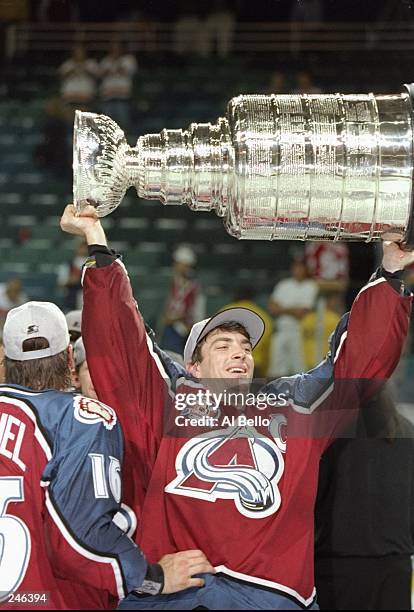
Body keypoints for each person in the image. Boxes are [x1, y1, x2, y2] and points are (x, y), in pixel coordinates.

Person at [61, 203, 413, 610]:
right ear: (192, 365)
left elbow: (358, 364)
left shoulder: (295, 406)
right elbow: (122, 346)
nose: (239, 354)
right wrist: (98, 244)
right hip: (178, 595)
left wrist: (389, 270)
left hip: (270, 597)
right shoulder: (168, 400)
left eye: (245, 347)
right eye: (223, 345)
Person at [0, 300, 214, 609]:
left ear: (6, 359)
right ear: (70, 358)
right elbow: (80, 536)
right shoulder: (79, 417)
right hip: (55, 599)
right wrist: (152, 577)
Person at [315, 388, 414, 610]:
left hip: (339, 568)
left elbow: (310, 499)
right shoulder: (405, 428)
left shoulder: (330, 432)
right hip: (395, 566)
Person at [268, 258, 318, 377]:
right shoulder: (284, 284)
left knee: (299, 370)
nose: (297, 270)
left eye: (300, 267)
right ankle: (276, 394)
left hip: (299, 332)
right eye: (295, 267)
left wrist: (282, 309)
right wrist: (292, 309)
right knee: (276, 369)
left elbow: (301, 313)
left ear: (306, 269)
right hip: (281, 329)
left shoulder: (311, 286)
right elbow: (272, 308)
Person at [159, 244, 205, 356]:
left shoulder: (194, 287)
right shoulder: (173, 282)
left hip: (184, 329)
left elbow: (197, 310)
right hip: (170, 328)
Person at [223, 284, 273, 377]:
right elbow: (267, 350)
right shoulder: (263, 317)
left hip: (227, 364)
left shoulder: (223, 313)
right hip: (253, 365)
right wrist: (264, 372)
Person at [99, 39, 137, 128]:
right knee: (107, 126)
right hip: (108, 98)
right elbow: (101, 74)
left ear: (122, 48)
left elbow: (125, 71)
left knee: (123, 124)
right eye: (113, 47)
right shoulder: (106, 61)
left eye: (117, 47)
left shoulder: (129, 59)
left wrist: (116, 63)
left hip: (123, 98)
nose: (115, 49)